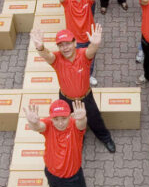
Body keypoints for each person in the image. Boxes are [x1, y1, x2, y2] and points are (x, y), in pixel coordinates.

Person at [31, 25, 116, 153]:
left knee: (95, 119)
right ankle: (78, 140)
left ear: (75, 43)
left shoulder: (83, 55)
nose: (65, 48)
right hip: (66, 99)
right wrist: (40, 47)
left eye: (67, 44)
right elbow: (47, 55)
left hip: (86, 98)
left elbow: (91, 51)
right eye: (61, 45)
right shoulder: (56, 58)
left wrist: (95, 44)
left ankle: (106, 138)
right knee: (68, 123)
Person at [24, 100, 102, 187]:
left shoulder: (74, 126)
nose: (60, 123)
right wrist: (33, 122)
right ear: (51, 118)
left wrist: (82, 118)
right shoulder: (49, 124)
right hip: (52, 173)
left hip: (73, 177)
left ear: (70, 116)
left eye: (64, 118)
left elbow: (81, 125)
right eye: (56, 119)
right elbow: (38, 126)